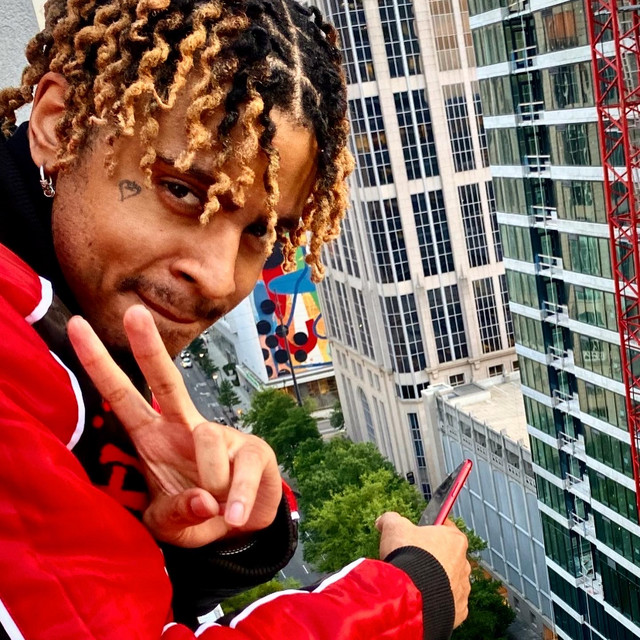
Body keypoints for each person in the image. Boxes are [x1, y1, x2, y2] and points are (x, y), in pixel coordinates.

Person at [0, 1, 471, 639]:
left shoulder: (66, 328)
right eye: (182, 190)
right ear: (59, 127)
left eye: (259, 233)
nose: (221, 278)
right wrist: (412, 599)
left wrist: (207, 538)